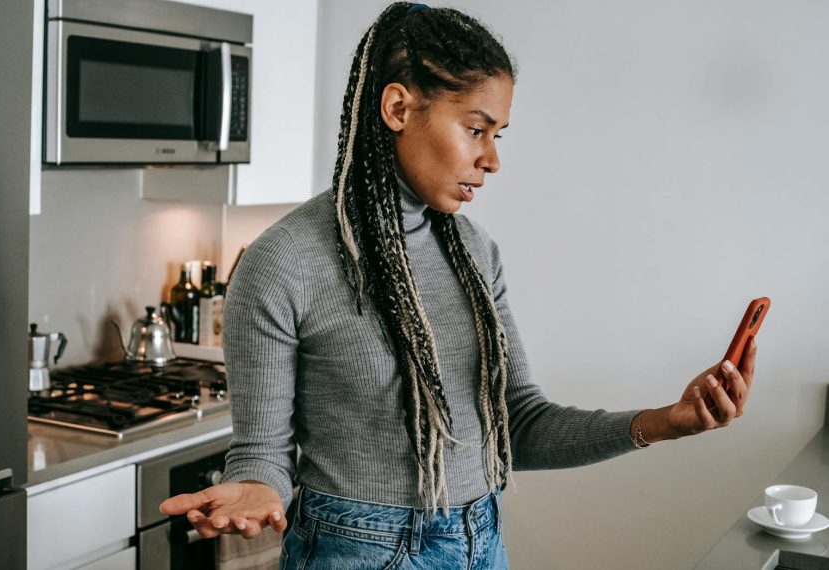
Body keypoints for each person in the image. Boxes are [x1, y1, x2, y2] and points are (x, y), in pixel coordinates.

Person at [160, 3, 757, 568]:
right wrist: (256, 488)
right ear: (398, 109)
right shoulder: (284, 262)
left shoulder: (474, 253)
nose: (492, 159)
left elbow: (518, 422)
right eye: (477, 129)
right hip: (356, 551)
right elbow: (261, 450)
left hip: (481, 541)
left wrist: (668, 421)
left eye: (498, 134)